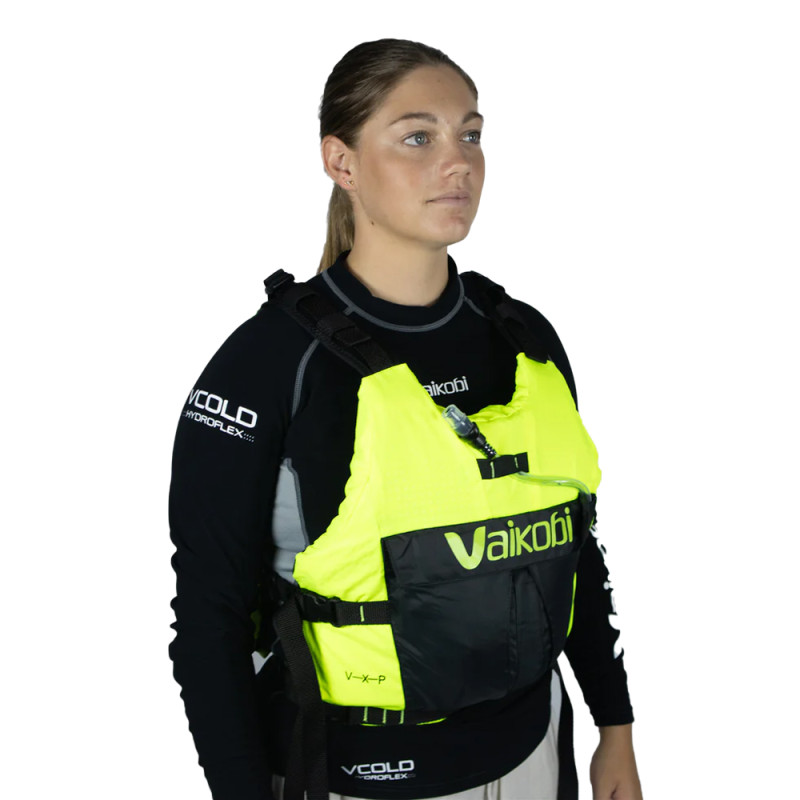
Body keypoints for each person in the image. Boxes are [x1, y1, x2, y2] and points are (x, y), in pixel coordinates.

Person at [169, 38, 643, 800]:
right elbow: (207, 623)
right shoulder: (271, 366)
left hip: (533, 754)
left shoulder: (524, 339)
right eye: (418, 137)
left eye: (471, 134)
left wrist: (614, 725)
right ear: (342, 162)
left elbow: (570, 546)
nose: (458, 163)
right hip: (353, 774)